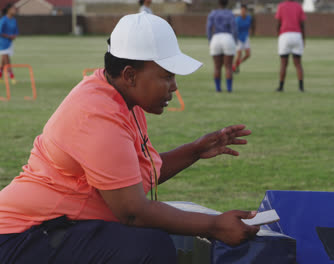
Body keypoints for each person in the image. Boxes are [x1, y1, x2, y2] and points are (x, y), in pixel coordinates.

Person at [0, 13, 259, 263]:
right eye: (167, 75)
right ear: (130, 75)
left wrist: (194, 151)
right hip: (21, 236)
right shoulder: (98, 113)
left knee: (148, 240)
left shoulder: (121, 99)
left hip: (49, 228)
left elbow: (131, 179)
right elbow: (133, 212)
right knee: (149, 248)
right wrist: (215, 226)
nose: (174, 86)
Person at [206, 0, 237, 92]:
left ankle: (218, 89)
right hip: (227, 37)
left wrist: (210, 40)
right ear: (227, 3)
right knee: (228, 66)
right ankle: (229, 89)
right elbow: (234, 28)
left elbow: (208, 28)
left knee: (217, 66)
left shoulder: (213, 13)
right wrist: (234, 40)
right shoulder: (230, 14)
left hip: (216, 38)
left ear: (218, 3)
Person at [275, 0, 305, 92]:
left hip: (285, 35)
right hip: (297, 35)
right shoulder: (298, 6)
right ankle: (301, 88)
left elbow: (278, 22)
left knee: (283, 63)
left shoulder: (281, 6)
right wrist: (304, 38)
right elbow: (302, 24)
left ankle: (281, 87)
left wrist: (278, 35)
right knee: (298, 63)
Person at [232, 4, 254, 74]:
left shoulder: (249, 18)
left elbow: (251, 26)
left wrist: (252, 32)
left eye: (244, 10)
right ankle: (235, 68)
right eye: (242, 10)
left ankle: (236, 65)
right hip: (238, 38)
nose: (243, 12)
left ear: (246, 11)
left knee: (248, 55)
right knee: (239, 54)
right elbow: (234, 30)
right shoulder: (237, 20)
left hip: (245, 37)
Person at [0, 3, 18, 84]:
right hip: (2, 42)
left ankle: (0, 76)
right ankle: (12, 76)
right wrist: (8, 36)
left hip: (10, 43)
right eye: (13, 9)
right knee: (7, 60)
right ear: (8, 10)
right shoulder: (3, 20)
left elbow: (16, 31)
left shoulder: (14, 20)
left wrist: (14, 36)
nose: (15, 10)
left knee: (4, 61)